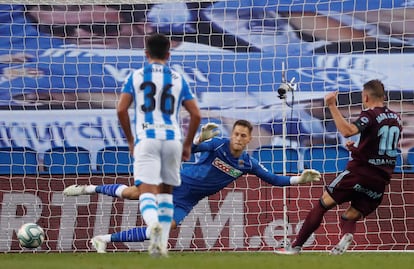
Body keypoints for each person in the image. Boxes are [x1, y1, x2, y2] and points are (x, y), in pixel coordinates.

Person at [63, 119, 322, 253]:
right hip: (176, 179)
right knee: (134, 192)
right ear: (232, 134)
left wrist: (300, 179)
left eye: (244, 136)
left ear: (249, 139)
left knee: (164, 229)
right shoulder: (218, 144)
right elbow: (190, 149)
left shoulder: (247, 163)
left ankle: (103, 239)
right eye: (237, 134)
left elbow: (274, 180)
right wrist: (200, 138)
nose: (239, 138)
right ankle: (88, 189)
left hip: (188, 200)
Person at [275, 79, 403, 255]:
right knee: (349, 216)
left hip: (359, 172)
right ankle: (346, 237)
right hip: (380, 180)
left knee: (322, 205)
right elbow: (381, 149)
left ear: (365, 97)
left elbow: (348, 131)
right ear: (384, 96)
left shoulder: (370, 115)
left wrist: (332, 106)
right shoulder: (396, 119)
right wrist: (356, 149)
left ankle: (295, 247)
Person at [114, 33, 201, 257]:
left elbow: (121, 109)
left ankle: (152, 223)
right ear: (169, 54)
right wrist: (188, 145)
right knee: (165, 195)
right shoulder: (178, 78)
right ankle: (159, 245)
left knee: (146, 191)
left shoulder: (136, 76)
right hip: (172, 140)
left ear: (146, 54)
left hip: (147, 139)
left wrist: (131, 140)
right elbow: (196, 115)